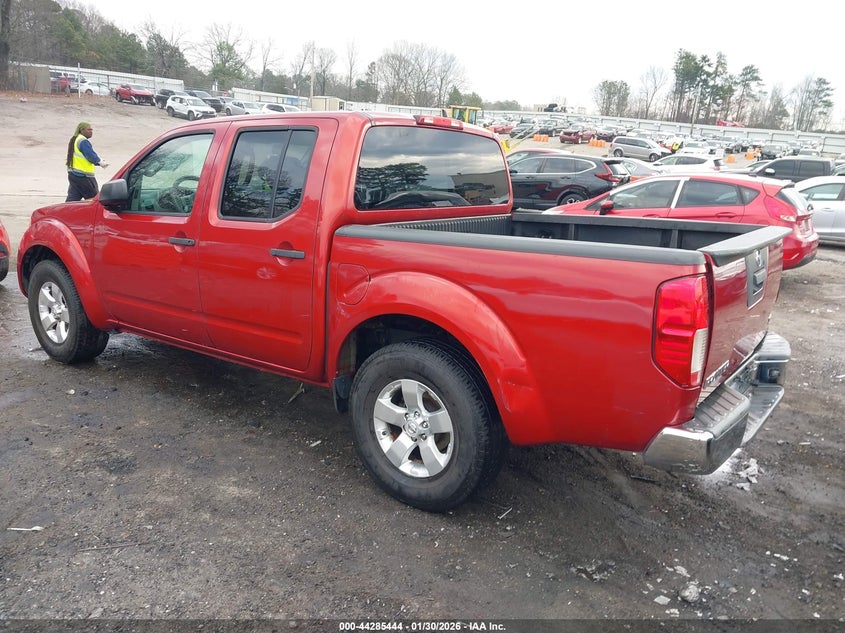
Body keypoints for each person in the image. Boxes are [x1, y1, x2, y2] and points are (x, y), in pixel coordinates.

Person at [65, 121, 108, 202]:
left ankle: (65, 213)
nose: (91, 132)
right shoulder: (83, 141)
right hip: (83, 175)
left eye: (91, 130)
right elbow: (90, 155)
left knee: (72, 198)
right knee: (93, 199)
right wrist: (100, 162)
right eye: (88, 130)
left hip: (73, 174)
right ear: (82, 130)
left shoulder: (74, 139)